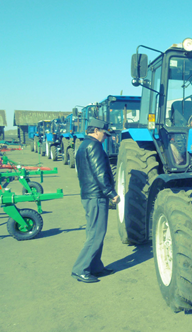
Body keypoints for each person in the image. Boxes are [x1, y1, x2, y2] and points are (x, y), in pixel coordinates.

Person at [71, 118, 120, 283]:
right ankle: (80, 269)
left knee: (95, 232)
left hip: (88, 195)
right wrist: (111, 193)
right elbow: (100, 173)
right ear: (96, 131)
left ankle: (96, 267)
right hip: (96, 196)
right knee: (96, 234)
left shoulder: (83, 146)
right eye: (104, 134)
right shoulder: (94, 146)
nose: (105, 137)